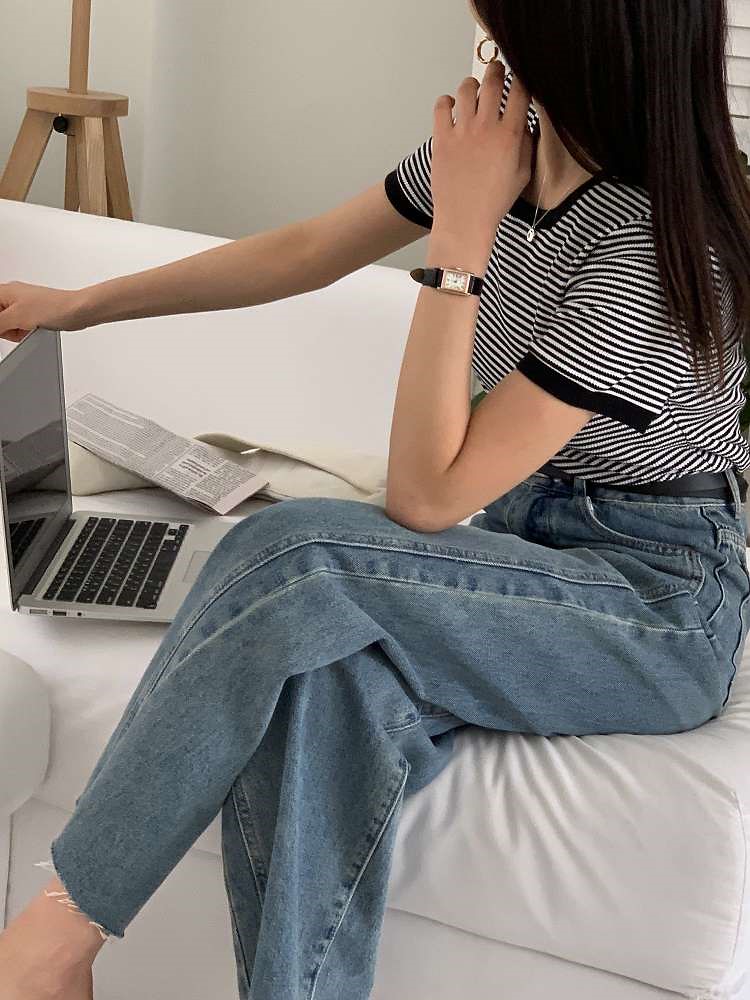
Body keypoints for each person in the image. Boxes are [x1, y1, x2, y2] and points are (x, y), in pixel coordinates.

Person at [2, 1, 750, 998]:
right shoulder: (500, 151)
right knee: (326, 687)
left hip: (652, 603)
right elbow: (303, 249)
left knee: (292, 552)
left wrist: (461, 241)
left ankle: (53, 944)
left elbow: (427, 496)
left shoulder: (652, 248)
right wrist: (76, 305)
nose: (486, 44)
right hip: (521, 540)